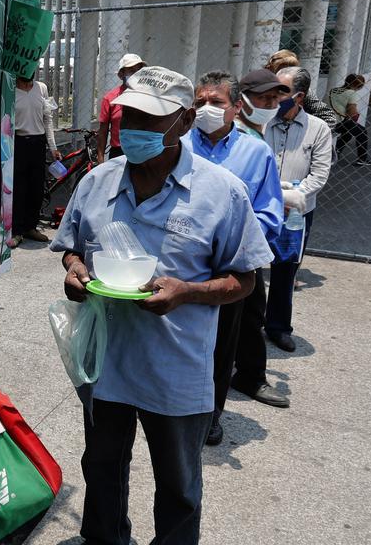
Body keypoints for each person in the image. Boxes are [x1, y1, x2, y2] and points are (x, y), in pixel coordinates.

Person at [52, 66, 271, 545]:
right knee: (103, 470)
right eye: (127, 116)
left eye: (150, 120)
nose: (133, 130)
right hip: (106, 361)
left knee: (178, 485)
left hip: (176, 368)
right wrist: (73, 269)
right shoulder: (97, 181)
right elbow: (71, 246)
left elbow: (245, 280)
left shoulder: (221, 192)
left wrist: (187, 292)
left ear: (185, 122)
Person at [185, 72, 287, 447]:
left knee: (222, 344)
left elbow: (269, 212)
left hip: (229, 268)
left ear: (235, 107)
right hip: (182, 263)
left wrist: (236, 248)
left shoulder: (255, 151)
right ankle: (171, 407)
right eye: (200, 102)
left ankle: (211, 415)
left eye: (216, 102)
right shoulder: (178, 145)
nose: (207, 109)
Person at [264, 67, 334, 352]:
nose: (273, 97)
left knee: (284, 270)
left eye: (281, 91)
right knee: (246, 266)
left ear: (299, 96)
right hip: (259, 207)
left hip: (296, 213)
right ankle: (243, 323)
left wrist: (291, 197)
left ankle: (278, 327)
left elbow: (319, 174)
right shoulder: (263, 121)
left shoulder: (318, 129)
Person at [10, 74, 60, 247]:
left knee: (36, 188)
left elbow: (48, 119)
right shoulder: (11, 90)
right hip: (18, 143)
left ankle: (31, 227)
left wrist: (53, 147)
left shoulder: (42, 88)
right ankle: (16, 230)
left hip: (38, 143)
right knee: (19, 187)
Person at [266, 50, 338, 128]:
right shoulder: (260, 86)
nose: (285, 74)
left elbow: (329, 118)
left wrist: (307, 132)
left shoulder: (301, 90)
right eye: (280, 71)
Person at [96, 53, 145, 162]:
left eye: (139, 71)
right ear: (122, 74)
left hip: (142, 150)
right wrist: (100, 157)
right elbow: (103, 130)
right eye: (132, 71)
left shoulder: (147, 96)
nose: (136, 74)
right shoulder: (110, 98)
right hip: (119, 152)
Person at [329, 74, 371, 166]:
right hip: (338, 121)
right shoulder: (351, 93)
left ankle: (336, 152)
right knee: (362, 132)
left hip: (327, 120)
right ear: (358, 86)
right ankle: (362, 159)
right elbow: (352, 112)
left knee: (348, 133)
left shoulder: (333, 90)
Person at [235, 68, 289, 139]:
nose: (270, 104)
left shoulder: (255, 133)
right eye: (263, 97)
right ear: (242, 99)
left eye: (275, 97)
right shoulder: (235, 136)